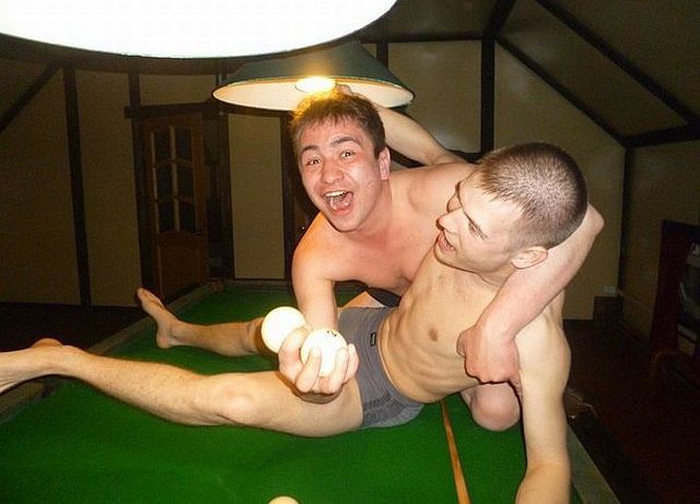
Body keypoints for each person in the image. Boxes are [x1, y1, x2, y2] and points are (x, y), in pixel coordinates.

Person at [0, 142, 585, 502]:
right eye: (458, 200)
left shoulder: (537, 340)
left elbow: (549, 464)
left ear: (531, 256)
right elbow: (425, 153)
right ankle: (178, 331)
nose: (447, 222)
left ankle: (61, 358)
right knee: (255, 332)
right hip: (370, 321)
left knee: (226, 400)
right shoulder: (463, 218)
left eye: (473, 227)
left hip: (377, 389)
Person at [139, 90, 603, 387]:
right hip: (389, 299)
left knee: (495, 414)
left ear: (382, 163)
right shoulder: (314, 256)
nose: (329, 174)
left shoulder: (447, 190)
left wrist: (495, 329)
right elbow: (321, 342)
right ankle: (178, 331)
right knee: (265, 333)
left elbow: (586, 221)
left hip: (456, 298)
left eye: (346, 153)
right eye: (312, 161)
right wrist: (318, 373)